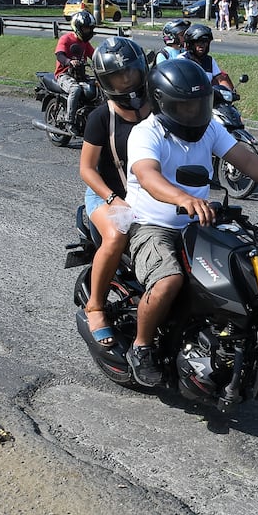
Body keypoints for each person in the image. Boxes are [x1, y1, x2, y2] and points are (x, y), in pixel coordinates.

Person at [122, 59, 258, 385]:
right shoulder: (147, 133)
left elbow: (244, 158)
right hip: (153, 223)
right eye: (185, 107)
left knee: (246, 266)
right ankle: (141, 346)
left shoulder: (210, 127)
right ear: (162, 103)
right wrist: (182, 198)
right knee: (168, 280)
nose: (193, 113)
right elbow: (148, 175)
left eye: (199, 104)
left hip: (200, 219)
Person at [77, 37, 151, 348]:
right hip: (107, 195)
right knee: (118, 233)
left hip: (149, 192)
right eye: (117, 78)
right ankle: (96, 306)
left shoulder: (157, 106)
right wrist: (111, 198)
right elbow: (87, 169)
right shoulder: (100, 117)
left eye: (130, 74)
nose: (126, 82)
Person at [55, 10, 97, 121]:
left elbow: (94, 56)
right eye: (85, 28)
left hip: (80, 75)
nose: (87, 31)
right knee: (75, 89)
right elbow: (59, 55)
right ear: (77, 27)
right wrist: (69, 62)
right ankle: (70, 120)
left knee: (98, 87)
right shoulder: (66, 39)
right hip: (64, 75)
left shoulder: (85, 43)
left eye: (89, 28)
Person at [180, 23, 235, 94]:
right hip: (188, 99)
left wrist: (228, 91)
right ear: (191, 43)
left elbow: (221, 79)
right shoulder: (182, 60)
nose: (202, 45)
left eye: (205, 42)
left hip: (206, 99)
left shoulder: (209, 60)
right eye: (199, 42)